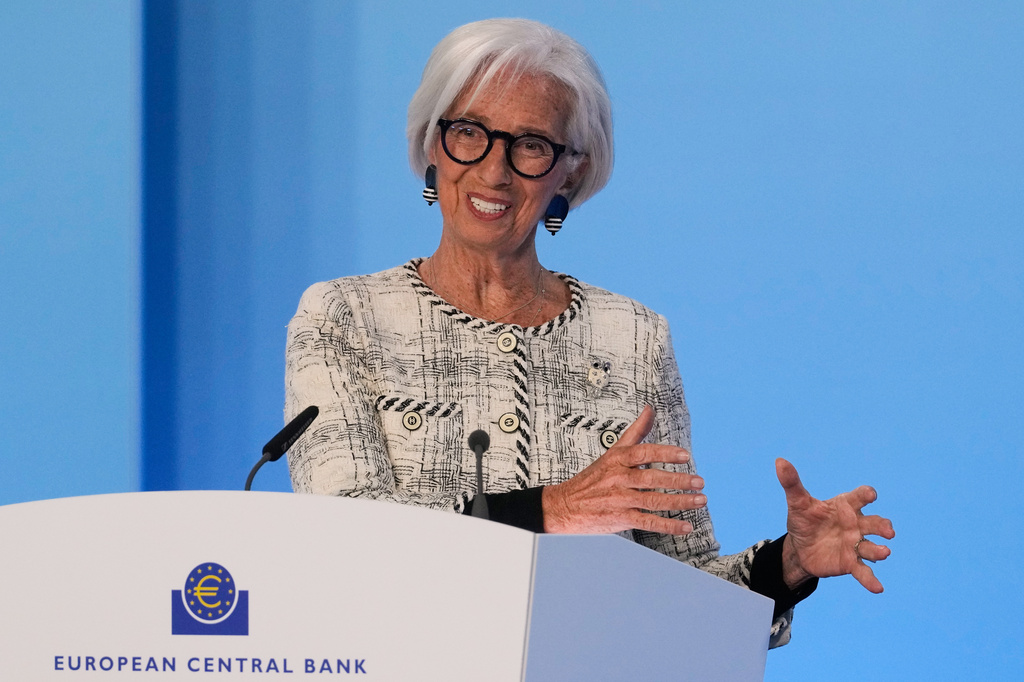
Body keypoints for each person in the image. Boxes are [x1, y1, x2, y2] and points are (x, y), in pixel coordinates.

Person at [284, 18, 894, 647]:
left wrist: (788, 564)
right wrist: (555, 509)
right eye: (469, 132)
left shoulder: (632, 337)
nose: (494, 172)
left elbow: (679, 590)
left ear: (569, 173)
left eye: (530, 144)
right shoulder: (342, 317)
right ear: (433, 146)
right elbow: (348, 545)